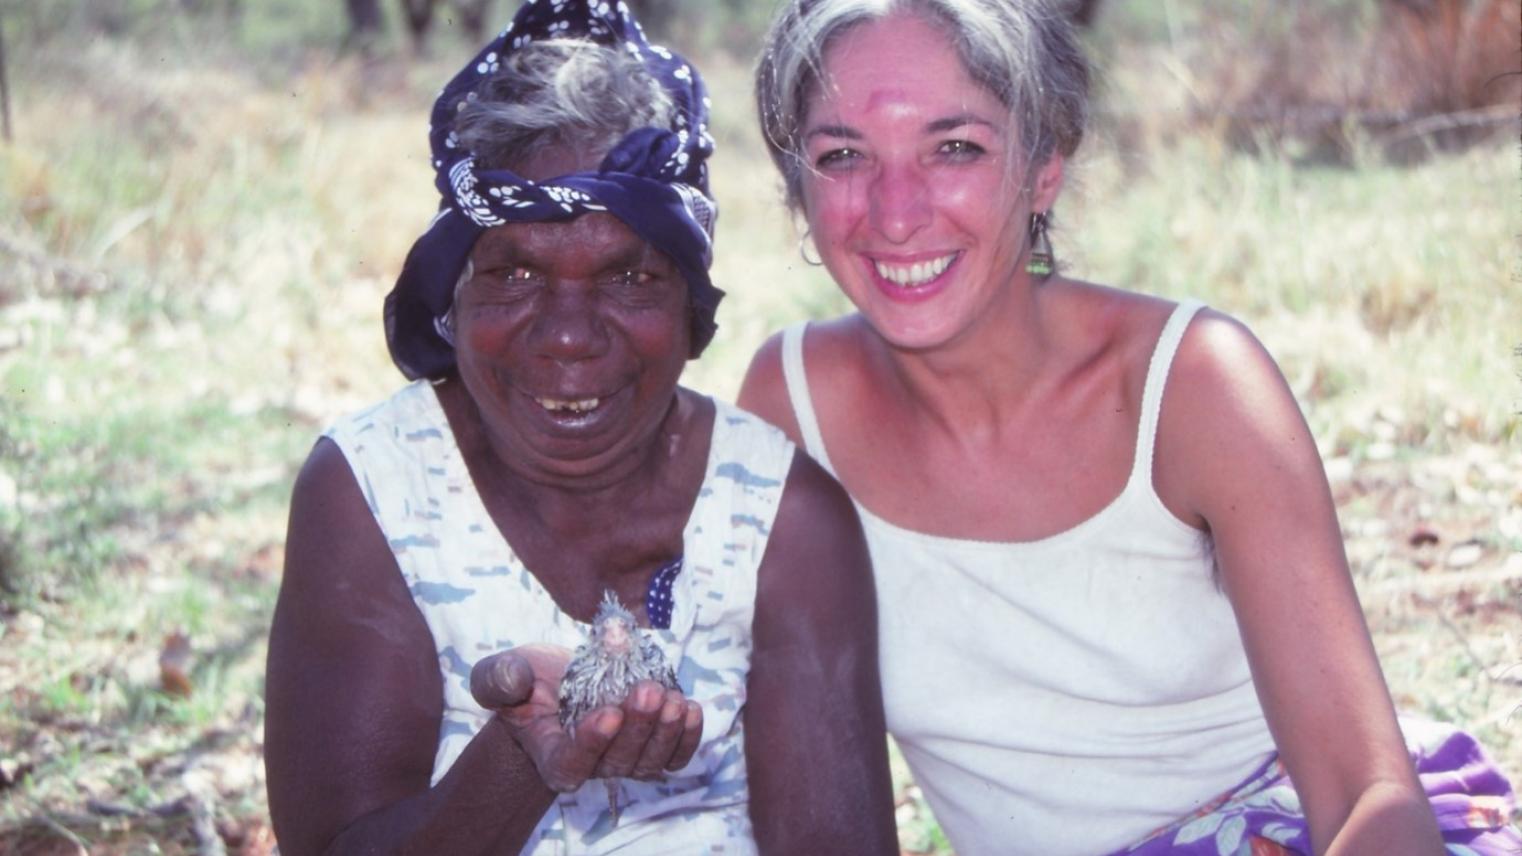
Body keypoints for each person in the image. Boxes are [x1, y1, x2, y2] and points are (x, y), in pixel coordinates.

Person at [740, 1, 1521, 854]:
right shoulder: (792, 404)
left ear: (1044, 167)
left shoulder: (1191, 384)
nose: (895, 213)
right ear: (797, 186)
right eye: (843, 156)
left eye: (955, 147)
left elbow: (1364, 791)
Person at [263, 2, 898, 853]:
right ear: (451, 295)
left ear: (691, 312)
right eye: (515, 272)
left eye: (630, 275)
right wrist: (524, 758)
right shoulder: (375, 490)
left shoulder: (780, 520)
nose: (568, 334)